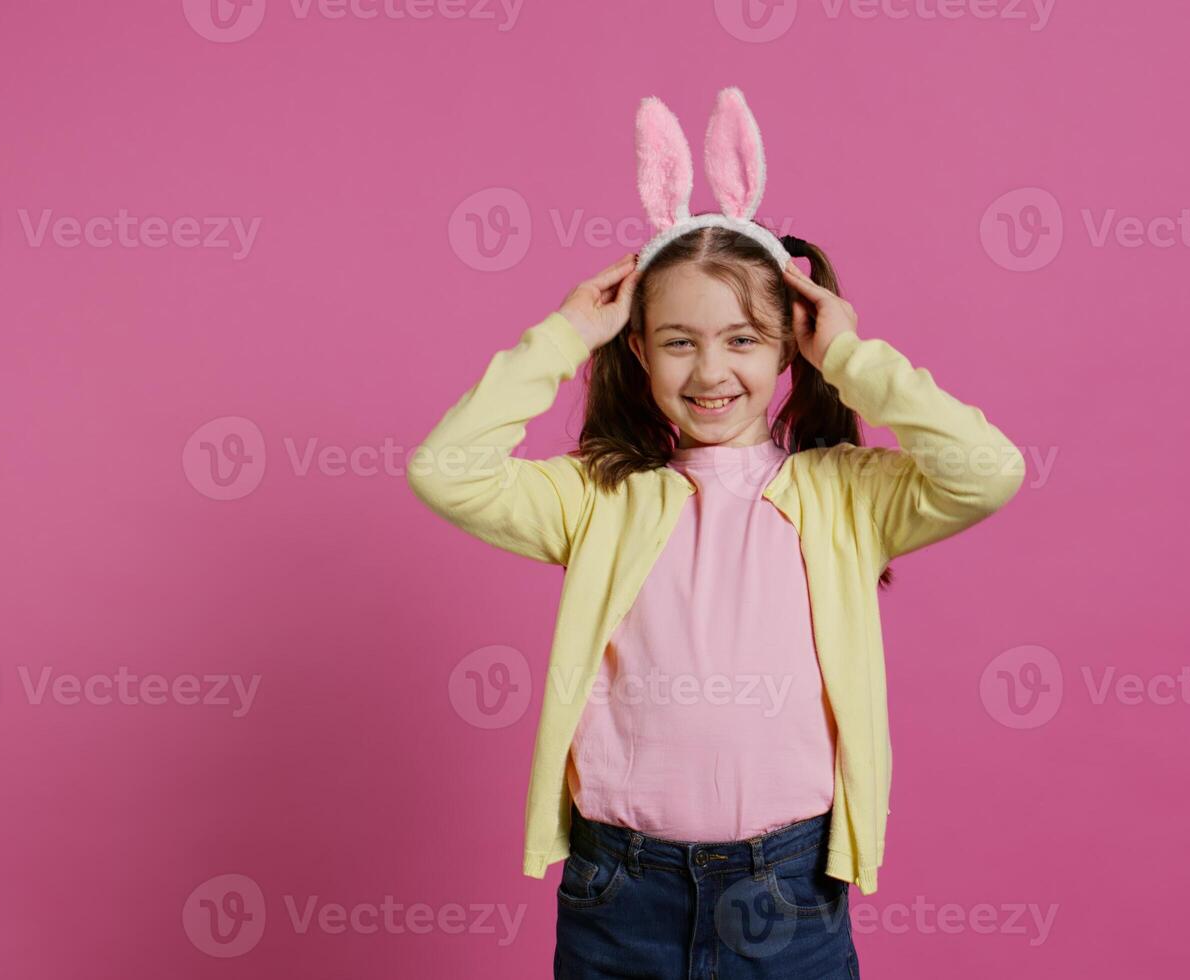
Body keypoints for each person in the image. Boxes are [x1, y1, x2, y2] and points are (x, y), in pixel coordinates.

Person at [409, 86, 1025, 979]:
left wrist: (850, 355)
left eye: (743, 340)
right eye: (677, 341)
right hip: (620, 890)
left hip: (788, 887)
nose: (711, 371)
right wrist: (564, 335)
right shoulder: (598, 497)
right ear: (636, 349)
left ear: (789, 348)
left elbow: (988, 467)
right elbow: (445, 469)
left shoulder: (846, 495)